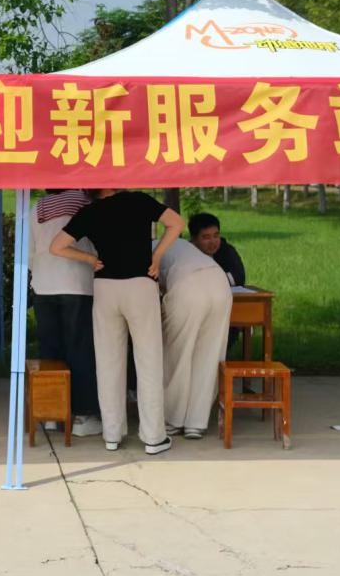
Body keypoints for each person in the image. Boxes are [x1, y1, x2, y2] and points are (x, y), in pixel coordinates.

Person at [51, 189, 184, 455]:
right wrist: (157, 256)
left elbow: (56, 246)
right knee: (148, 361)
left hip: (105, 288)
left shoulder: (89, 211)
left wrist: (89, 259)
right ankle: (153, 437)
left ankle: (112, 434)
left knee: (108, 362)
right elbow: (176, 223)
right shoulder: (138, 200)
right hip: (140, 284)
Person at [29, 189, 100, 437]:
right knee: (79, 350)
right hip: (77, 283)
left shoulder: (36, 208)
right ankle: (82, 415)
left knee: (50, 351)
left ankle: (51, 413)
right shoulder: (85, 203)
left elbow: (29, 252)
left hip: (43, 285)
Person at [158, 239, 233, 440]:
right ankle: (196, 423)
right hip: (219, 283)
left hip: (187, 285)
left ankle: (173, 419)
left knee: (177, 354)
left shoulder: (151, 248)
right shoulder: (180, 244)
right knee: (209, 355)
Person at [189, 212, 245, 287]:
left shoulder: (226, 250)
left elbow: (238, 279)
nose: (213, 242)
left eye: (216, 236)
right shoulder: (186, 254)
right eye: (206, 237)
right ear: (194, 239)